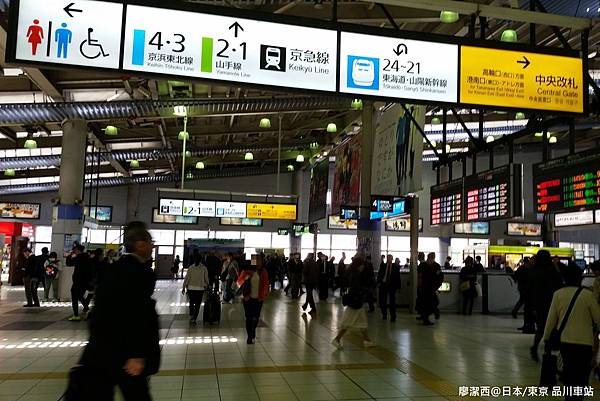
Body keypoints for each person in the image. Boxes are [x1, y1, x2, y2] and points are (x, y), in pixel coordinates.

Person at [74, 222, 160, 401]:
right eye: (150, 242)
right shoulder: (137, 272)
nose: (153, 246)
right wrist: (136, 353)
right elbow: (137, 315)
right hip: (125, 355)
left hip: (104, 351)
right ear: (140, 244)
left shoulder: (114, 268)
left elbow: (99, 313)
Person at [543, 264, 600, 401]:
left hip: (566, 342)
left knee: (569, 374)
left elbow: (551, 320)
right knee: (582, 376)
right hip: (585, 344)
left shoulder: (558, 294)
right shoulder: (588, 295)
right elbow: (598, 318)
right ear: (580, 278)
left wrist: (547, 339)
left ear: (564, 278)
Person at [331, 255, 375, 349]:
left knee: (362, 322)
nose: (363, 267)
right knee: (347, 323)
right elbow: (356, 288)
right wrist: (366, 290)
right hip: (355, 302)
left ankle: (367, 340)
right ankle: (337, 339)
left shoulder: (353, 273)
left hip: (357, 301)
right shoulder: (355, 274)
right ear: (359, 265)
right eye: (362, 265)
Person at [530, 250, 564, 362]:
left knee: (541, 327)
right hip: (552, 302)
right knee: (553, 326)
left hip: (539, 303)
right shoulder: (552, 270)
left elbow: (532, 289)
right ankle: (548, 349)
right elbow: (559, 283)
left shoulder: (535, 271)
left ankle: (535, 347)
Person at [236, 254, 270, 344]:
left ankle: (252, 331)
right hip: (248, 298)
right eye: (255, 260)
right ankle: (249, 336)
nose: (257, 262)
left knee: (256, 317)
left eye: (259, 260)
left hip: (259, 298)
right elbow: (238, 282)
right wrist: (245, 278)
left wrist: (263, 295)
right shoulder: (247, 271)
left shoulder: (263, 271)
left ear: (262, 261)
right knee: (249, 317)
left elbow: (266, 284)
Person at [66, 245, 92, 321]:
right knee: (80, 296)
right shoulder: (87, 257)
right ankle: (87, 309)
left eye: (74, 250)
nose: (73, 251)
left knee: (74, 296)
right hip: (85, 280)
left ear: (77, 250)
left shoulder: (78, 257)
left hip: (78, 280)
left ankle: (76, 315)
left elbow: (69, 263)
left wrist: (69, 255)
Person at [182, 254, 209, 324]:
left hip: (190, 288)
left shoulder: (190, 267)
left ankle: (191, 315)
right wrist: (207, 285)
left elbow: (187, 278)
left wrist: (183, 287)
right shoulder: (204, 268)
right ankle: (194, 318)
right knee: (197, 304)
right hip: (200, 288)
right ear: (201, 260)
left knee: (191, 302)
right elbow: (206, 278)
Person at [419, 253, 443, 325]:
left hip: (430, 287)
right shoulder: (425, 265)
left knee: (431, 302)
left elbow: (440, 277)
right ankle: (426, 317)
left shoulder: (435, 266)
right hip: (426, 287)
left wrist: (437, 286)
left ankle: (427, 315)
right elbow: (420, 276)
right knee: (428, 303)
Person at [514, 257, 536, 333]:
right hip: (527, 290)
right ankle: (528, 325)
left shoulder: (526, 268)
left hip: (527, 290)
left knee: (527, 308)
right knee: (527, 308)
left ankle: (528, 325)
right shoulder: (531, 269)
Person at [377, 255, 401, 322]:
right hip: (383, 284)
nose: (389, 259)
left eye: (390, 258)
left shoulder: (395, 267)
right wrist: (378, 282)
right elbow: (379, 274)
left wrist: (398, 287)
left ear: (392, 259)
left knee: (392, 301)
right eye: (388, 258)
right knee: (383, 301)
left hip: (392, 286)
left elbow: (398, 277)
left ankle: (393, 316)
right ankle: (384, 314)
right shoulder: (383, 265)